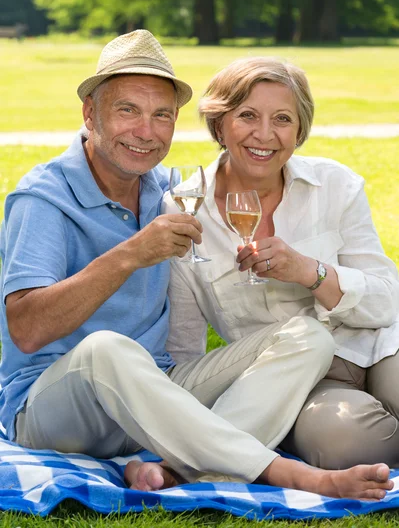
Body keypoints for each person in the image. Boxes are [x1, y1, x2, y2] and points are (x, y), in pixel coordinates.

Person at [0, 33, 393, 502]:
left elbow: (182, 345)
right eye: (128, 110)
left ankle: (179, 470)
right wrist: (130, 254)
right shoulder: (43, 199)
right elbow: (25, 329)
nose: (146, 131)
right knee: (107, 349)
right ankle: (289, 474)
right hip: (58, 406)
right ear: (90, 112)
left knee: (309, 335)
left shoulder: (167, 192)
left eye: (161, 115)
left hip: (156, 395)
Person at [163, 56, 399, 472]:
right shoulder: (186, 207)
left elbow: (387, 302)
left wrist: (310, 272)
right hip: (300, 381)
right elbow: (185, 351)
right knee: (344, 446)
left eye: (283, 119)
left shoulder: (336, 185)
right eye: (247, 116)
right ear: (220, 125)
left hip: (379, 345)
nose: (265, 135)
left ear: (300, 130)